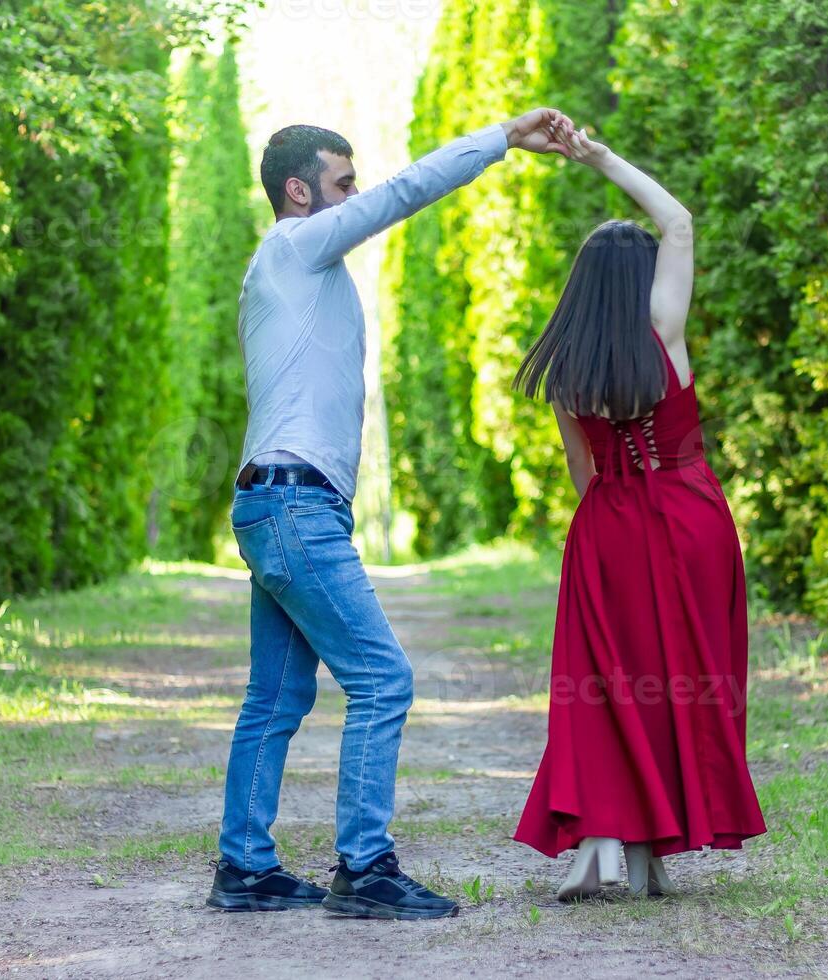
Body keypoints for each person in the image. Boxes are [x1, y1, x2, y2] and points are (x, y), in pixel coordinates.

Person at [208, 108, 573, 919]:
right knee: (382, 678)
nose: (357, 196)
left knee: (274, 698)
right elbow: (409, 191)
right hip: (294, 504)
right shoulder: (296, 245)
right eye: (343, 184)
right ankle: (365, 868)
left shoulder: (298, 269)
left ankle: (244, 867)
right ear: (299, 191)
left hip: (281, 503)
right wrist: (503, 137)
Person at [510, 121, 768, 900]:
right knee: (683, 678)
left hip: (608, 524)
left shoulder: (569, 372)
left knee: (607, 686)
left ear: (582, 288)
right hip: (688, 515)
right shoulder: (664, 334)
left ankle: (604, 843)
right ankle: (652, 848)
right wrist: (599, 158)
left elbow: (582, 472)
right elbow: (679, 221)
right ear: (644, 280)